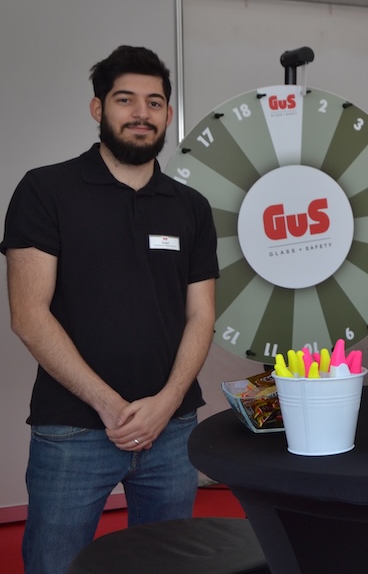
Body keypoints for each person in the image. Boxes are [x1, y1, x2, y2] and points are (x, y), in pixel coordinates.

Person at [1, 45, 219, 574]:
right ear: (98, 108)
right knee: (55, 565)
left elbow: (202, 315)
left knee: (166, 566)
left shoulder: (190, 207)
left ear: (168, 114)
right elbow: (28, 315)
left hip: (172, 430)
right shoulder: (45, 190)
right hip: (74, 430)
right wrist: (109, 406)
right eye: (125, 100)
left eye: (154, 102)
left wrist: (166, 404)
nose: (142, 113)